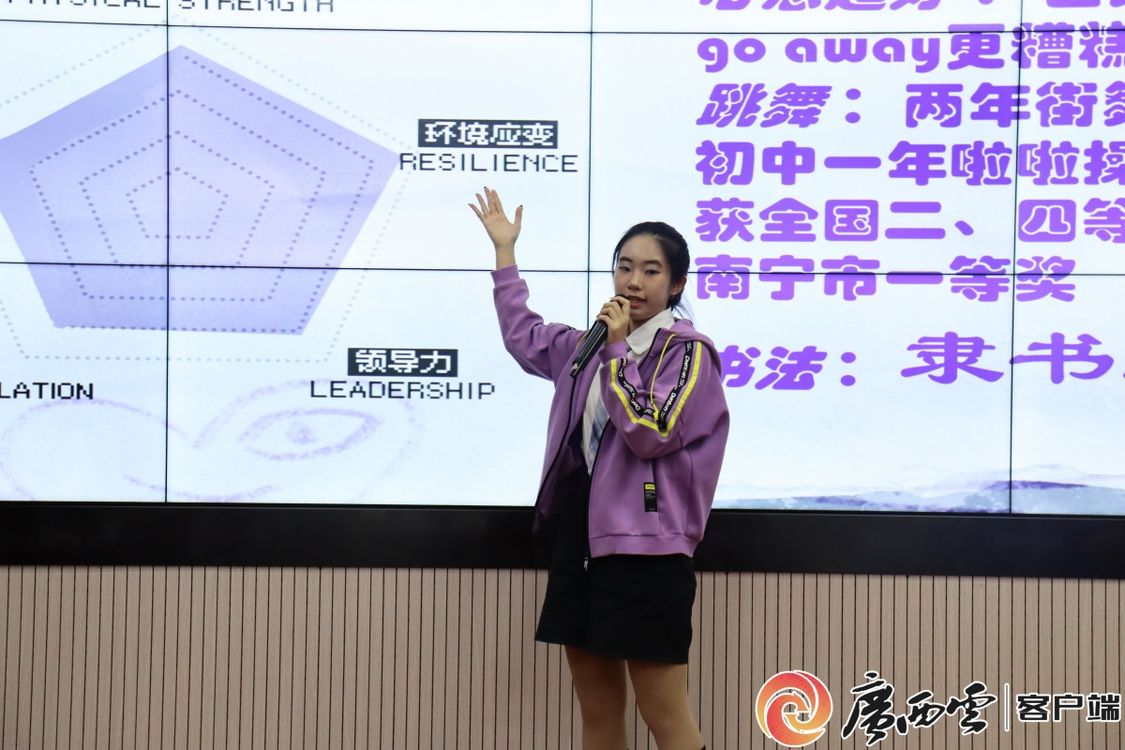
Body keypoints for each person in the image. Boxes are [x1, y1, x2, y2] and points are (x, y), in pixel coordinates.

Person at [470, 187, 729, 750]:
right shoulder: (588, 346)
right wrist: (505, 253)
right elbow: (524, 337)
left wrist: (615, 352)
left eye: (651, 271)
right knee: (598, 711)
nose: (633, 282)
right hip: (581, 541)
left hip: (649, 553)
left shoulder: (688, 354)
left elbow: (651, 432)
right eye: (624, 267)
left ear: (676, 285)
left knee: (664, 713)